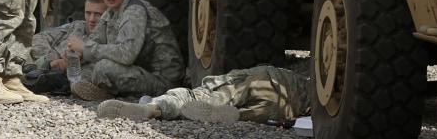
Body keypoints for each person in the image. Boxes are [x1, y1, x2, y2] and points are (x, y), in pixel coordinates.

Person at [66, 0, 185, 102]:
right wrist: (77, 53)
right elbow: (96, 40)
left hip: (164, 82)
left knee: (103, 68)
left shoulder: (134, 12)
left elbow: (126, 55)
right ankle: (107, 91)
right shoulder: (110, 12)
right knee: (82, 72)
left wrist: (86, 48)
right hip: (140, 70)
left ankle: (108, 94)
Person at [97, 63, 311, 125]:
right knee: (250, 113)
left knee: (207, 94)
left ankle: (153, 107)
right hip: (289, 109)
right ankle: (238, 115)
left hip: (277, 79)